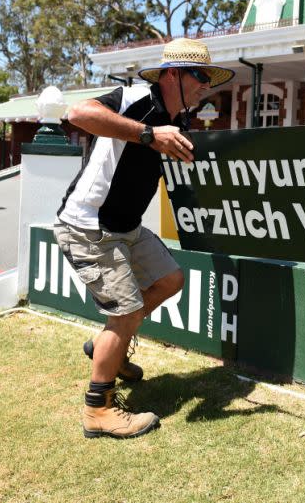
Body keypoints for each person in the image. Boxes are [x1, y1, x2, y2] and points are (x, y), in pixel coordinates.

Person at [54, 38, 234, 439]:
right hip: (90, 226)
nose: (206, 86)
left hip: (127, 228)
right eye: (200, 77)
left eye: (209, 79)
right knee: (127, 311)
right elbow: (79, 113)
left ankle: (110, 350)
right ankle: (97, 409)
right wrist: (150, 135)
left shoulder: (181, 121)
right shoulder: (135, 96)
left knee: (171, 279)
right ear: (173, 74)